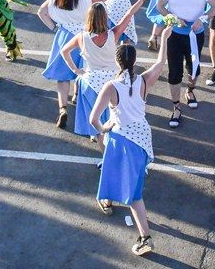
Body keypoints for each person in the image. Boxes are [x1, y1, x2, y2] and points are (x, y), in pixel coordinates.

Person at [89, 29, 171, 257]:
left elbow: (93, 119)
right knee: (123, 178)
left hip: (123, 141)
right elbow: (160, 61)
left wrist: (104, 129)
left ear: (117, 61)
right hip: (143, 138)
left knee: (134, 195)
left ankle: (146, 236)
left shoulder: (111, 87)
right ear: (134, 61)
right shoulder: (144, 80)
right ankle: (109, 199)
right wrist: (164, 37)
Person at [38, 0, 131, 129]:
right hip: (85, 38)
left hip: (65, 37)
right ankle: (80, 99)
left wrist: (54, 27)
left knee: (63, 76)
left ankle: (63, 108)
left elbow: (41, 12)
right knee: (86, 72)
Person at [62, 0, 150, 140]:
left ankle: (96, 136)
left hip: (90, 81)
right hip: (112, 82)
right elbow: (129, 14)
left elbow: (64, 51)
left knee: (95, 116)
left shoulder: (81, 37)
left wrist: (76, 70)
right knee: (112, 117)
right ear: (104, 18)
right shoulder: (113, 34)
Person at [155, 0, 215, 128]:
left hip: (195, 34)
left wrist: (203, 19)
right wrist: (173, 18)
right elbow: (160, 6)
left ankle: (190, 91)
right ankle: (176, 107)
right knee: (174, 72)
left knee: (194, 70)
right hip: (174, 35)